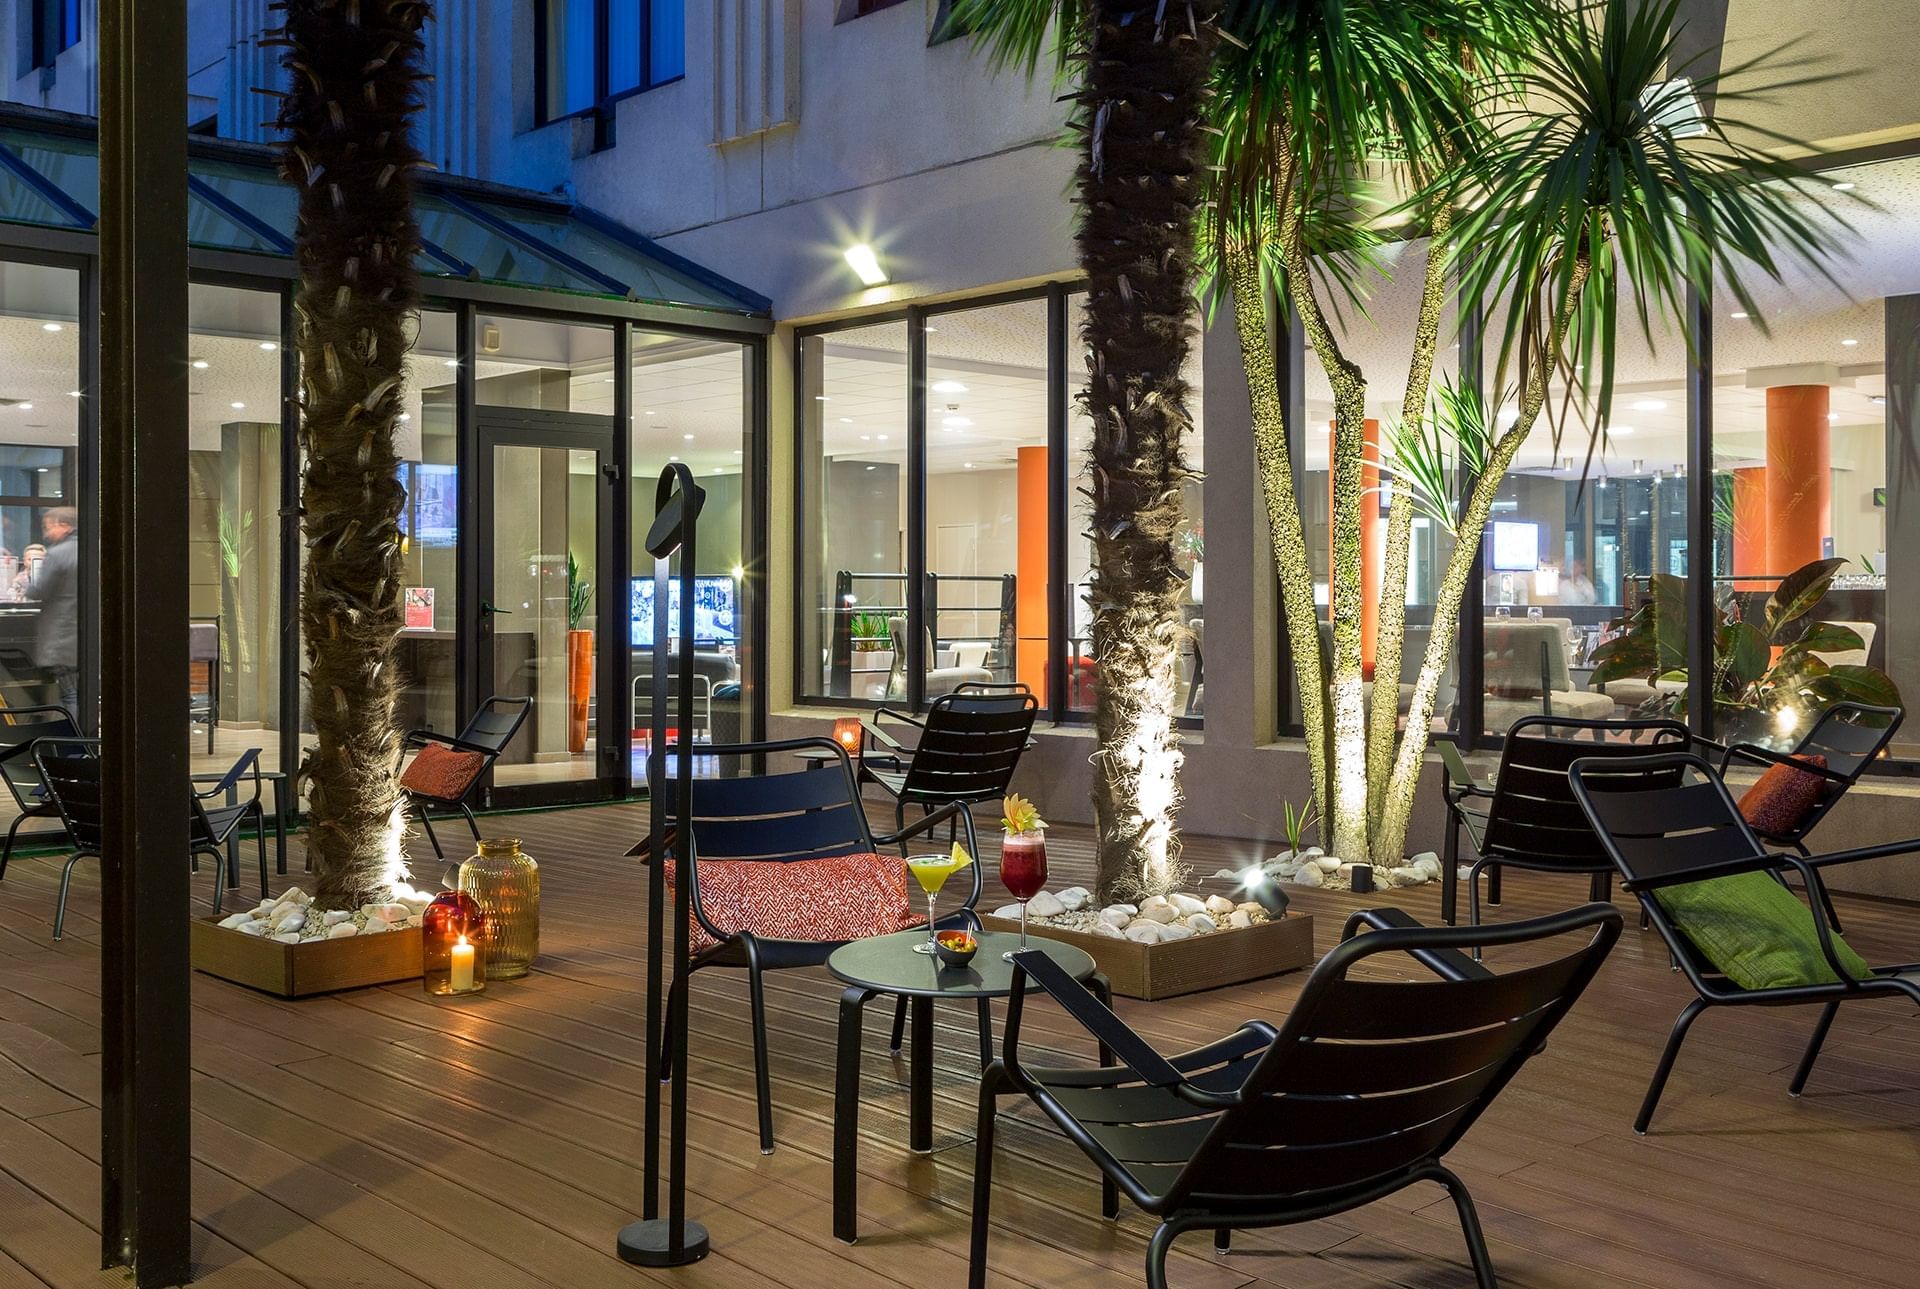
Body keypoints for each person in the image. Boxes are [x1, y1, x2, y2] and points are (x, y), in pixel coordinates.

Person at [31, 508, 78, 717]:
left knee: (69, 695)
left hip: (61, 637)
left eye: (48, 527)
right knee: (79, 693)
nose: (46, 533)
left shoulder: (58, 553)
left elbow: (38, 590)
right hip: (85, 638)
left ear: (64, 525)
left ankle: (74, 742)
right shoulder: (95, 549)